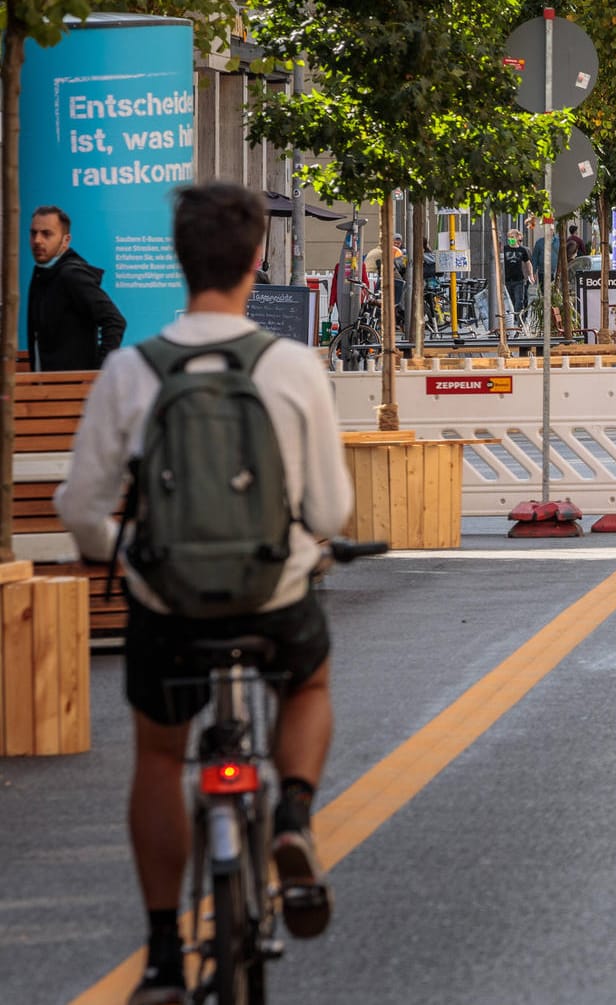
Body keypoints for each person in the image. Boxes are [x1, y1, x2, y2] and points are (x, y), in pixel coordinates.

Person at [52, 183, 354, 1005]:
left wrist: (125, 553)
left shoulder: (130, 369)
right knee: (311, 679)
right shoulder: (291, 365)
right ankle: (291, 815)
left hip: (168, 603)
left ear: (181, 261)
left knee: (159, 753)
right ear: (258, 260)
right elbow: (329, 511)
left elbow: (78, 507)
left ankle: (158, 956)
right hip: (272, 595)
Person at [26, 205, 126, 371]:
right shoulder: (42, 273)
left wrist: (97, 374)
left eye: (46, 234)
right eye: (33, 233)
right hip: (45, 389)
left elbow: (115, 321)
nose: (37, 240)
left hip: (70, 390)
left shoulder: (71, 274)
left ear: (66, 240)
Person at [502, 228, 534, 320]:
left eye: (512, 237)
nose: (510, 239)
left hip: (519, 280)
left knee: (519, 301)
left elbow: (528, 263)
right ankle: (511, 319)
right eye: (509, 237)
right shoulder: (504, 249)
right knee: (510, 301)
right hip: (507, 280)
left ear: (517, 238)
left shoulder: (522, 250)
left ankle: (518, 319)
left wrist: (531, 275)